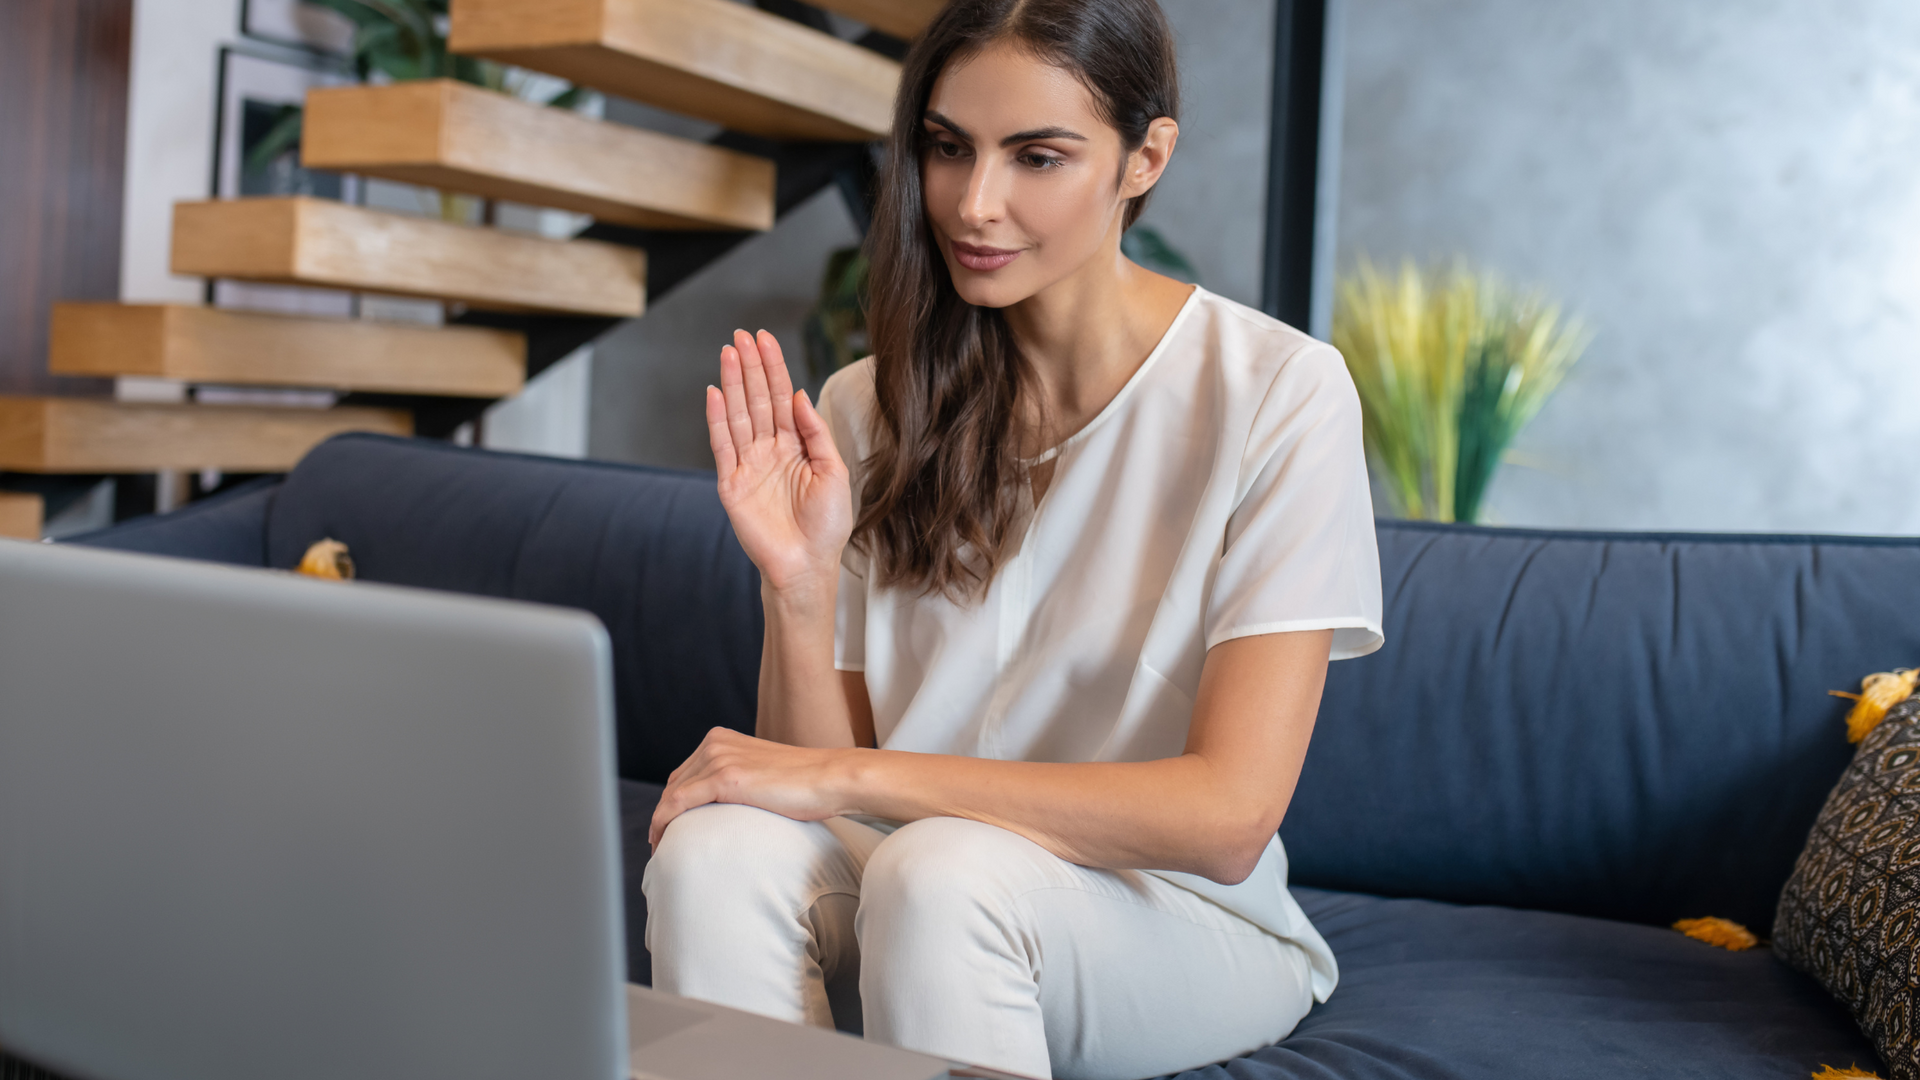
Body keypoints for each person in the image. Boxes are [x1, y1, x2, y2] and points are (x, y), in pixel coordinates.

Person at [641, 1, 1383, 1077]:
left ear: (1145, 157)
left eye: (1037, 156)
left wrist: (857, 777)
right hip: (911, 882)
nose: (974, 204)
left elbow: (1228, 814)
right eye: (948, 150)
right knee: (715, 853)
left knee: (941, 876)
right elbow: (815, 777)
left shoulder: (1279, 394)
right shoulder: (865, 408)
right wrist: (795, 590)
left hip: (1167, 921)